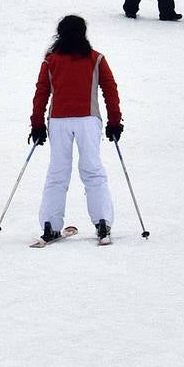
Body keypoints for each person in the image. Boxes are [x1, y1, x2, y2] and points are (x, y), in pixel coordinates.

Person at [28, 15, 121, 244]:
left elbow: (41, 93)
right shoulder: (95, 59)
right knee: (92, 170)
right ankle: (102, 222)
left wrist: (37, 123)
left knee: (58, 172)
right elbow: (110, 90)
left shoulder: (51, 61)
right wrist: (115, 121)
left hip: (59, 121)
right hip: (88, 120)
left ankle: (50, 224)